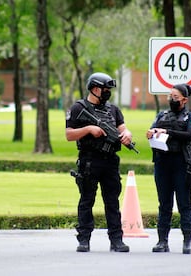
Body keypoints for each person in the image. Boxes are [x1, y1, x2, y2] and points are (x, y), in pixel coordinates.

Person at [65, 72, 133, 253]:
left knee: (112, 201)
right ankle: (84, 239)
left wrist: (127, 135)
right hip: (90, 160)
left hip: (110, 161)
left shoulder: (113, 110)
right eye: (105, 89)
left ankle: (116, 240)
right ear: (95, 89)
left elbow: (123, 129)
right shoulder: (79, 108)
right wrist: (88, 129)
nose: (107, 93)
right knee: (87, 200)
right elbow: (69, 134)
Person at [146, 83, 191, 254]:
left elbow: (190, 135)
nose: (171, 99)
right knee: (164, 204)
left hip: (182, 164)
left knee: (184, 203)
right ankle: (162, 241)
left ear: (184, 100)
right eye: (170, 96)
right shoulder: (161, 115)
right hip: (163, 164)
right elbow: (153, 129)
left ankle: (187, 241)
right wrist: (151, 133)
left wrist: (167, 132)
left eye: (175, 97)